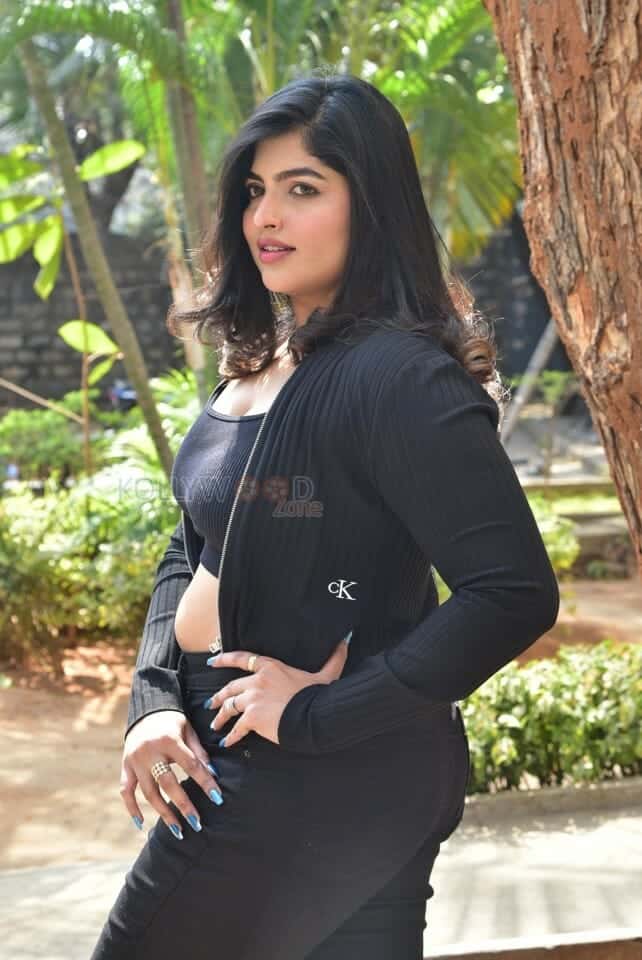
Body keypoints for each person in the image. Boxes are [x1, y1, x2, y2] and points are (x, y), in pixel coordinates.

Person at [90, 70, 559, 960]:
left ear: (371, 207)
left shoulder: (399, 377)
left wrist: (322, 715)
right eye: (255, 190)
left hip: (302, 775)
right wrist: (151, 701)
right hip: (276, 759)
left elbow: (512, 592)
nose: (266, 217)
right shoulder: (263, 361)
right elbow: (190, 547)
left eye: (303, 189)